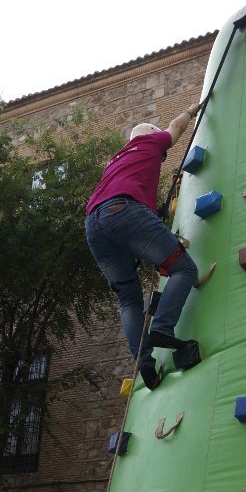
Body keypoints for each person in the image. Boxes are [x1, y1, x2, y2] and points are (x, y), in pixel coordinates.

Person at [84, 104, 204, 389]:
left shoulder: (115, 160)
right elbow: (175, 127)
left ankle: (144, 360)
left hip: (94, 224)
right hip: (123, 211)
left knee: (128, 299)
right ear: (150, 136)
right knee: (184, 269)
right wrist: (190, 111)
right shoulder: (151, 140)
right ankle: (162, 329)